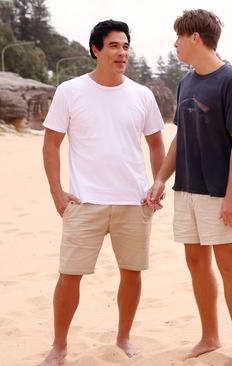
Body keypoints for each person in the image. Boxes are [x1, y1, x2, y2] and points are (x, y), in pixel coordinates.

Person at [39, 20, 165, 366]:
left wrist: (157, 183)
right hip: (84, 202)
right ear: (96, 49)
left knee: (132, 272)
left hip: (134, 202)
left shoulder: (142, 95)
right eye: (113, 46)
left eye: (125, 46)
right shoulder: (70, 91)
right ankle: (59, 345)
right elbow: (51, 145)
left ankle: (123, 338)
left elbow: (157, 144)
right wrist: (57, 193)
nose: (121, 52)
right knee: (69, 276)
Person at [144, 9, 232, 364]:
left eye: (179, 36)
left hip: (220, 191)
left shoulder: (231, 80)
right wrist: (161, 178)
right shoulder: (187, 81)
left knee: (228, 264)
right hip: (188, 188)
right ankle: (210, 336)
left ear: (195, 37)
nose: (175, 43)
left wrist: (231, 197)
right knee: (195, 261)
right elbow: (180, 136)